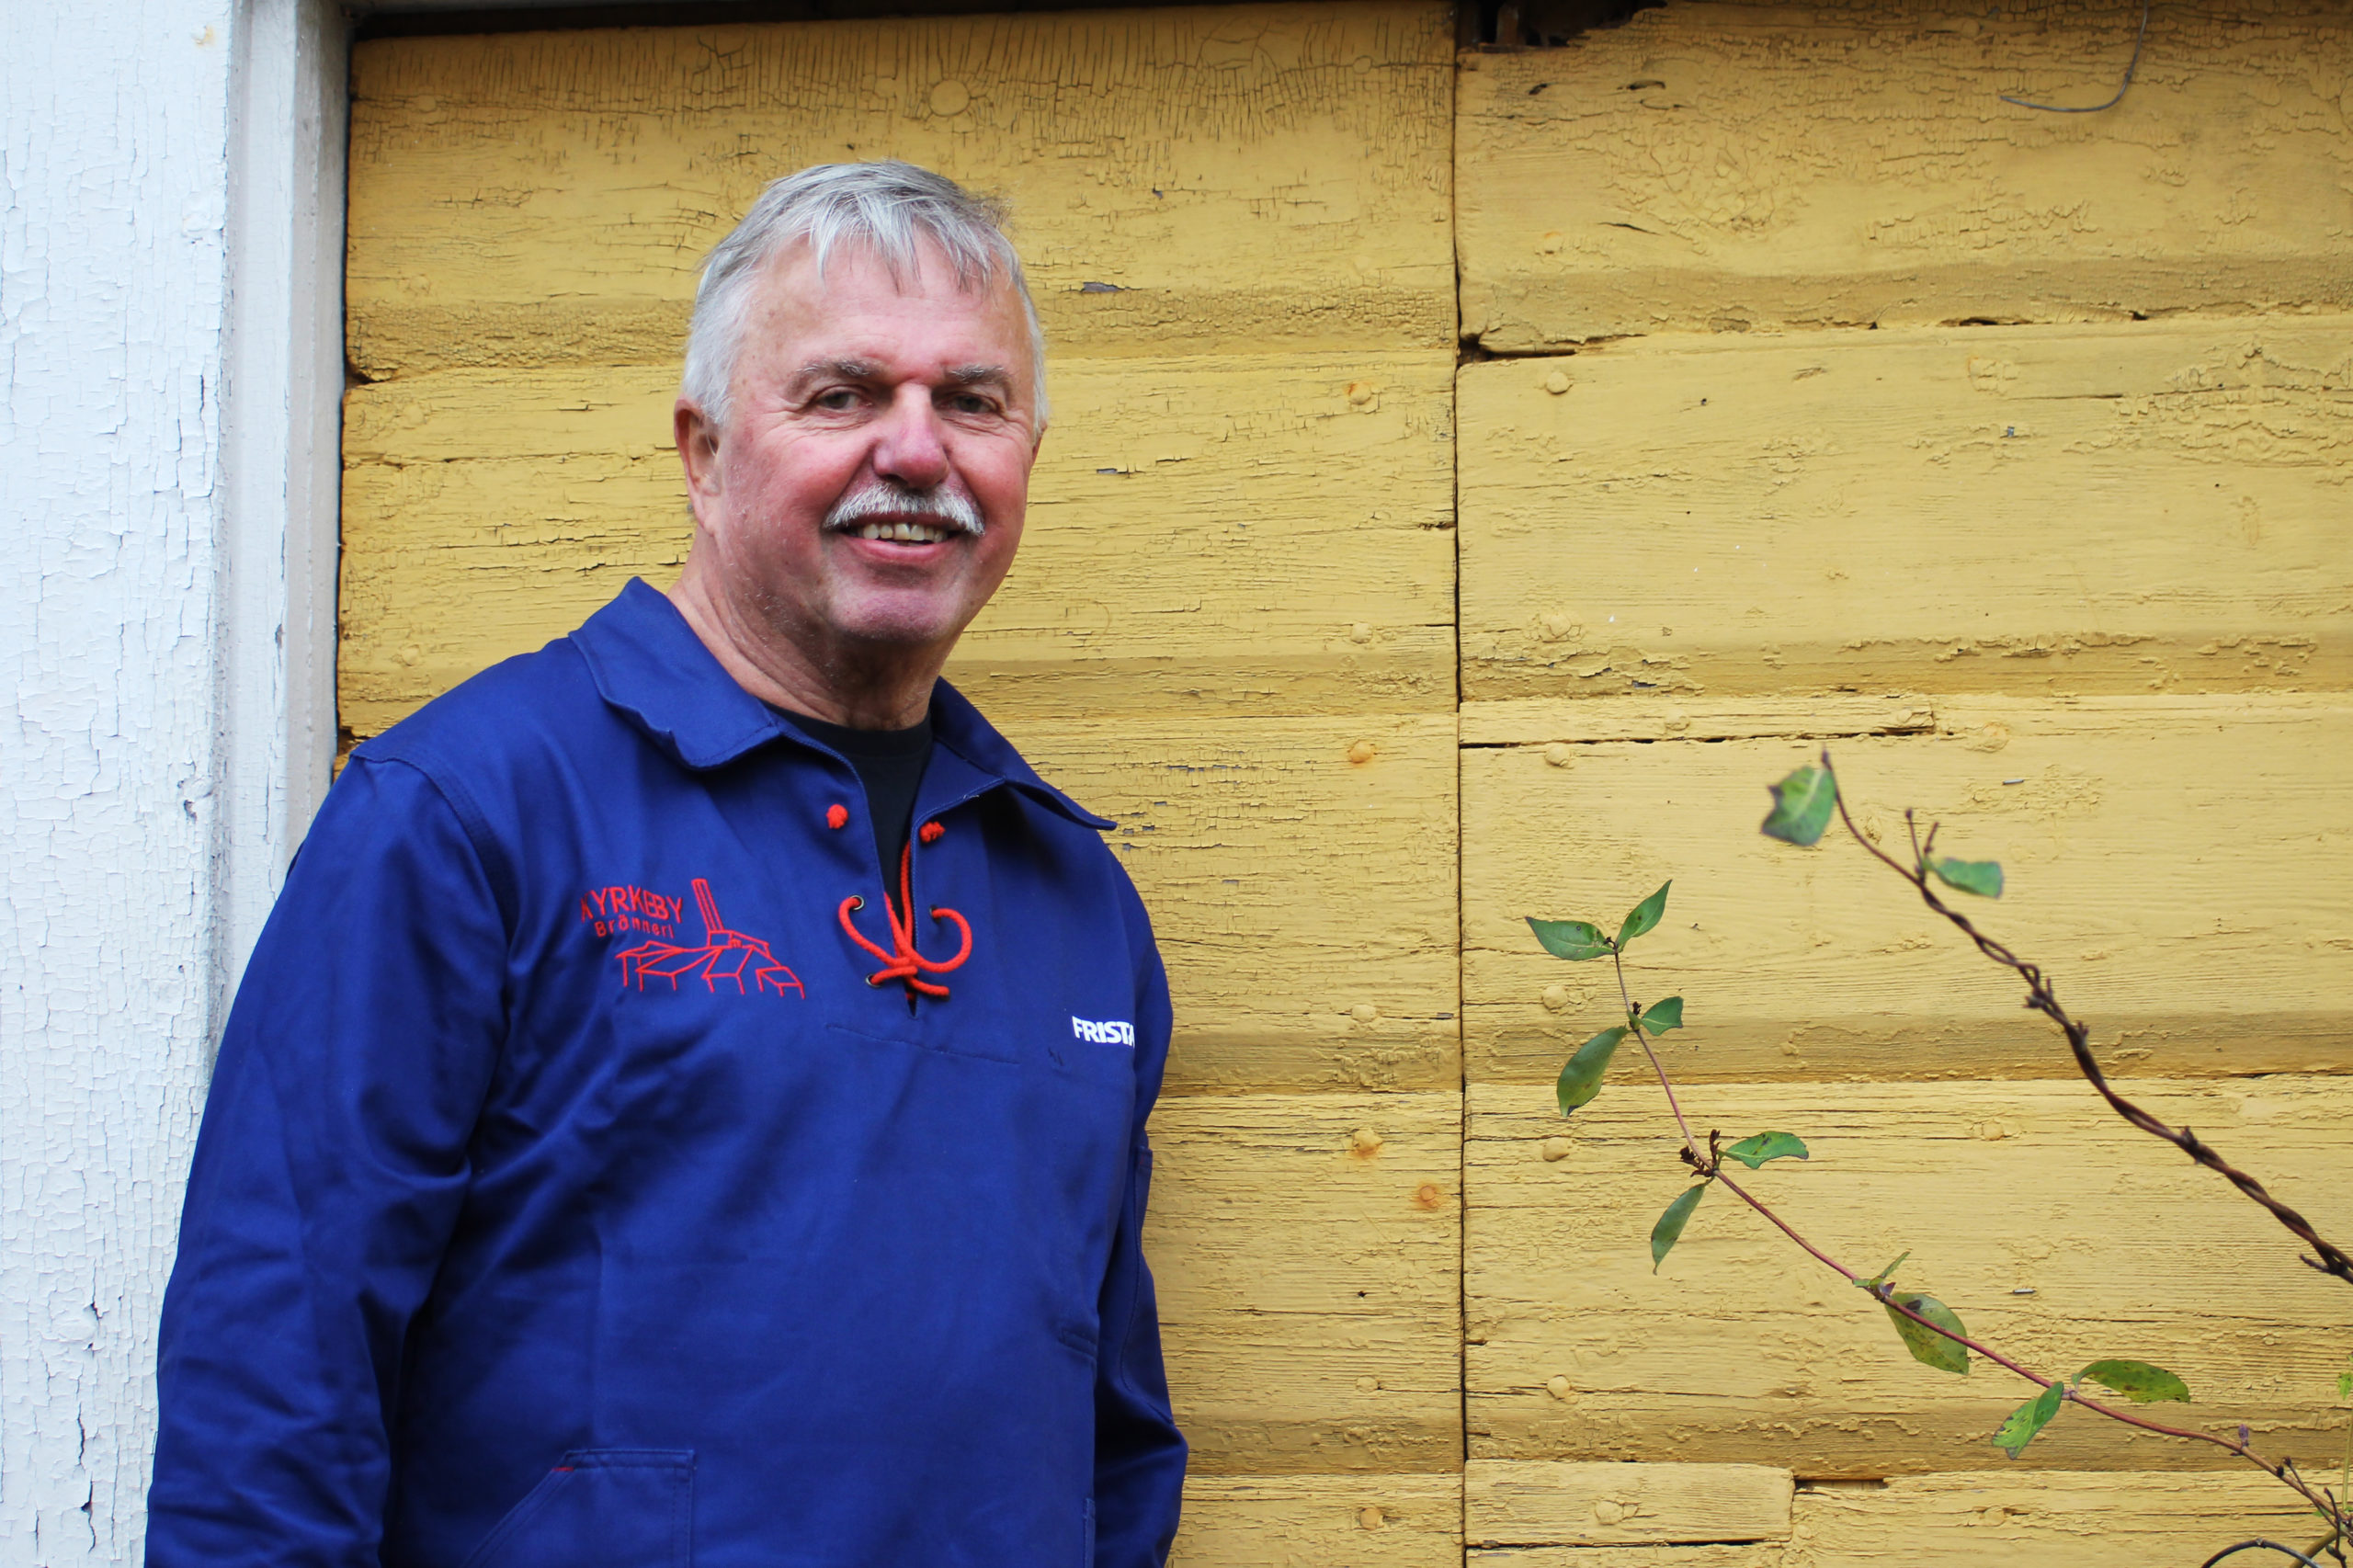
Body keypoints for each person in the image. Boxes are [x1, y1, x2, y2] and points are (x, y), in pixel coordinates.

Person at [147, 162, 1187, 1568]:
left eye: (972, 400)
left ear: (1028, 454)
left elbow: (1110, 1444)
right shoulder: (467, 815)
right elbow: (272, 1390)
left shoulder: (1073, 902)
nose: (917, 450)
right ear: (704, 450)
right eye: (843, 395)